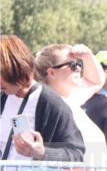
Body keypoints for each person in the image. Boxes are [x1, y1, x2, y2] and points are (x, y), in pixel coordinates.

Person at [0, 34, 84, 163]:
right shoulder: (3, 98)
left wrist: (42, 153)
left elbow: (76, 154)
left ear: (15, 68)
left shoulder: (50, 102)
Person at [34, 43, 107, 167]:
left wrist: (87, 55)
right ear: (52, 72)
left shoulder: (72, 98)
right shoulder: (45, 104)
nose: (79, 68)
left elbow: (97, 81)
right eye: (72, 65)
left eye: (79, 64)